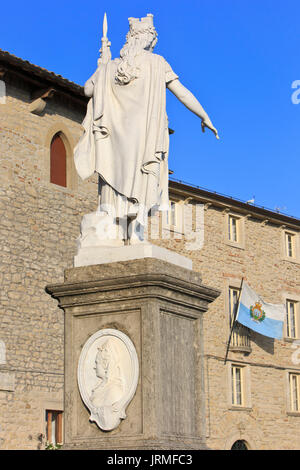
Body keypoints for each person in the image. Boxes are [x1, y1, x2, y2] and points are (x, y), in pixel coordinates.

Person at [74, 14, 218, 244]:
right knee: (143, 176)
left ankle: (118, 226)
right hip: (143, 138)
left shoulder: (111, 67)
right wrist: (204, 115)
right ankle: (135, 230)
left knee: (114, 178)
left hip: (115, 140)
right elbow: (181, 92)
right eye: (152, 38)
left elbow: (88, 90)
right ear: (146, 39)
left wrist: (100, 68)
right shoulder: (157, 63)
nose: (153, 43)